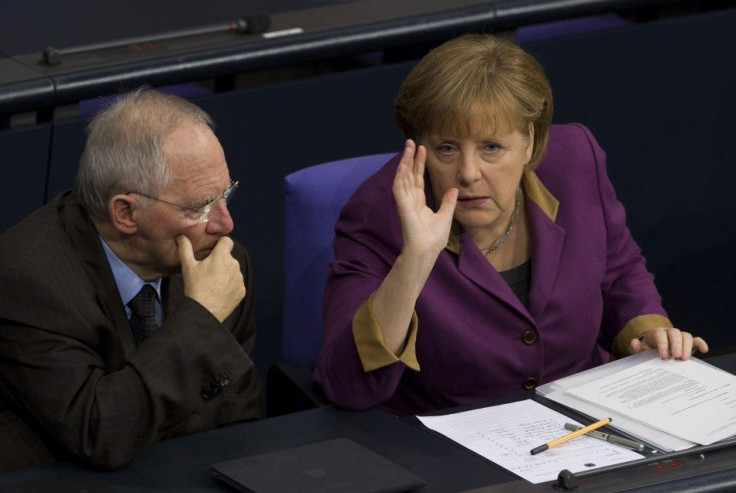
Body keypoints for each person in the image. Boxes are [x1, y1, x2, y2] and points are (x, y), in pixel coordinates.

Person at [313, 34, 708, 416]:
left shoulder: (574, 161)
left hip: (584, 423)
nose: (468, 173)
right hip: (452, 450)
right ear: (418, 147)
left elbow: (619, 270)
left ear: (530, 142)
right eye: (446, 148)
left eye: (491, 147)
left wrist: (650, 332)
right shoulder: (378, 214)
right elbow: (347, 387)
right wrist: (415, 259)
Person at [0, 88, 261, 472]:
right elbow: (99, 433)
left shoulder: (220, 262)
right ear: (125, 213)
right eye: (199, 207)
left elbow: (235, 415)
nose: (225, 224)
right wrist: (201, 318)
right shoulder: (26, 283)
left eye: (225, 195)